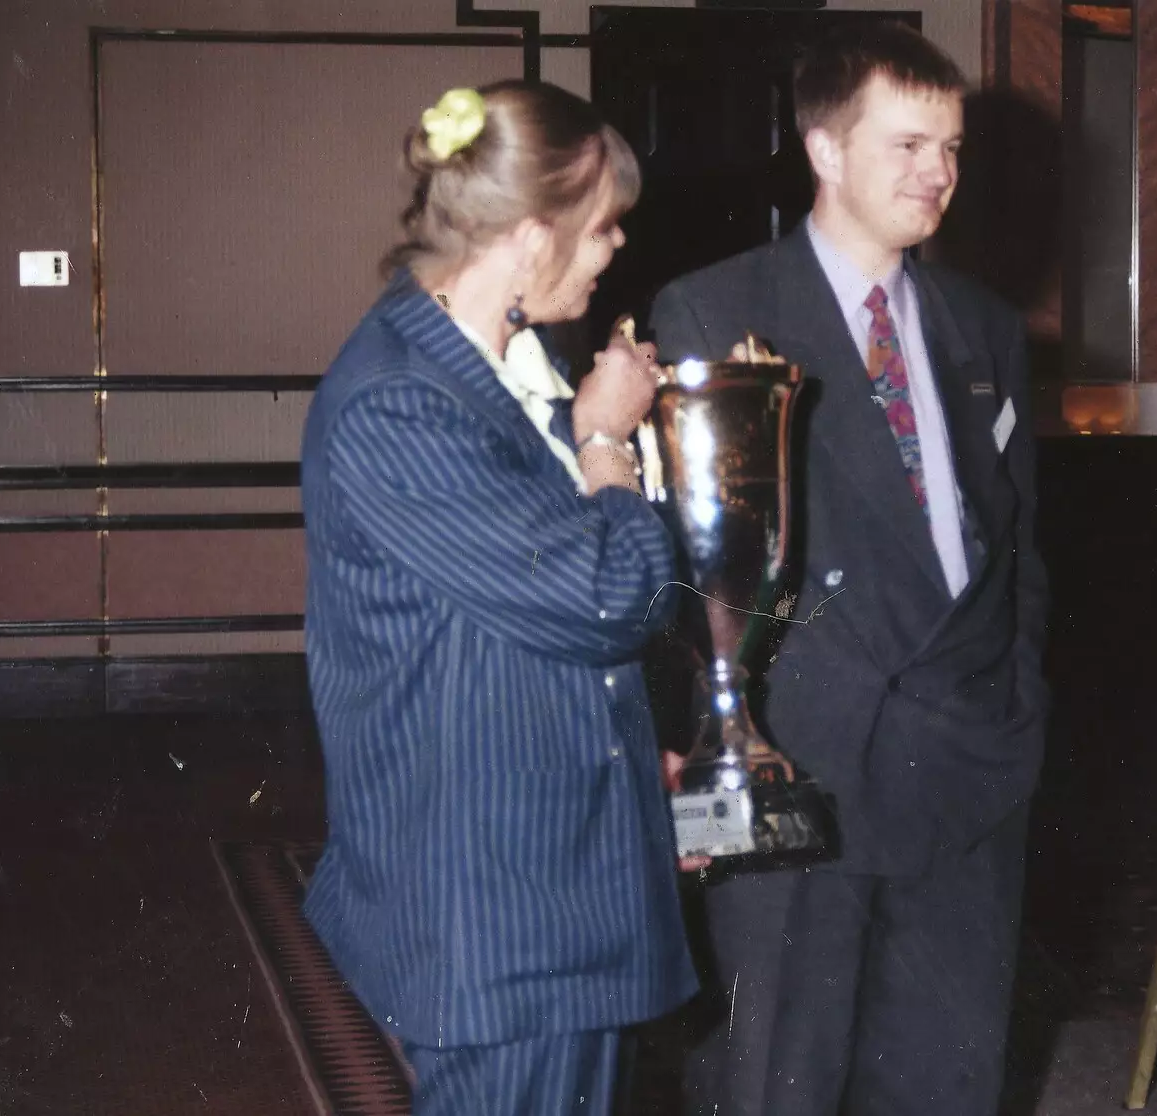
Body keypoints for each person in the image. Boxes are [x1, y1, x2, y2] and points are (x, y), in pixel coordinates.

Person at [648, 22, 1048, 1116]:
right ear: (825, 151)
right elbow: (695, 568)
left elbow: (1014, 545)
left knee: (947, 1076)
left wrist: (1020, 703)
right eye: (909, 144)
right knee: (782, 1071)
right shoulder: (716, 310)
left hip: (966, 756)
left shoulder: (984, 326)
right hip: (804, 755)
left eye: (951, 148)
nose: (940, 173)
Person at [298, 81, 698, 1115]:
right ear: (530, 238)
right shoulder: (401, 401)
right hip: (492, 903)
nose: (613, 248)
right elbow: (605, 596)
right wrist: (607, 438)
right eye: (603, 225)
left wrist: (623, 744)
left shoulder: (496, 361)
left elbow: (513, 610)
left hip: (546, 863)